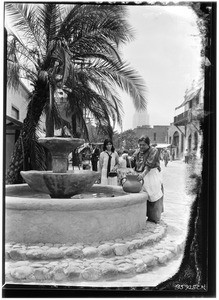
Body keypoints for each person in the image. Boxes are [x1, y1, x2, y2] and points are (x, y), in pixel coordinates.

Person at [131, 136, 164, 223]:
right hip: (142, 174)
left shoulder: (154, 151)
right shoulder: (139, 151)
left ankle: (154, 218)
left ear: (148, 144)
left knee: (153, 194)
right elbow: (133, 159)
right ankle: (145, 216)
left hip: (151, 174)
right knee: (144, 195)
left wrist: (142, 175)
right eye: (140, 145)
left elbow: (149, 166)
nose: (141, 147)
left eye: (144, 145)